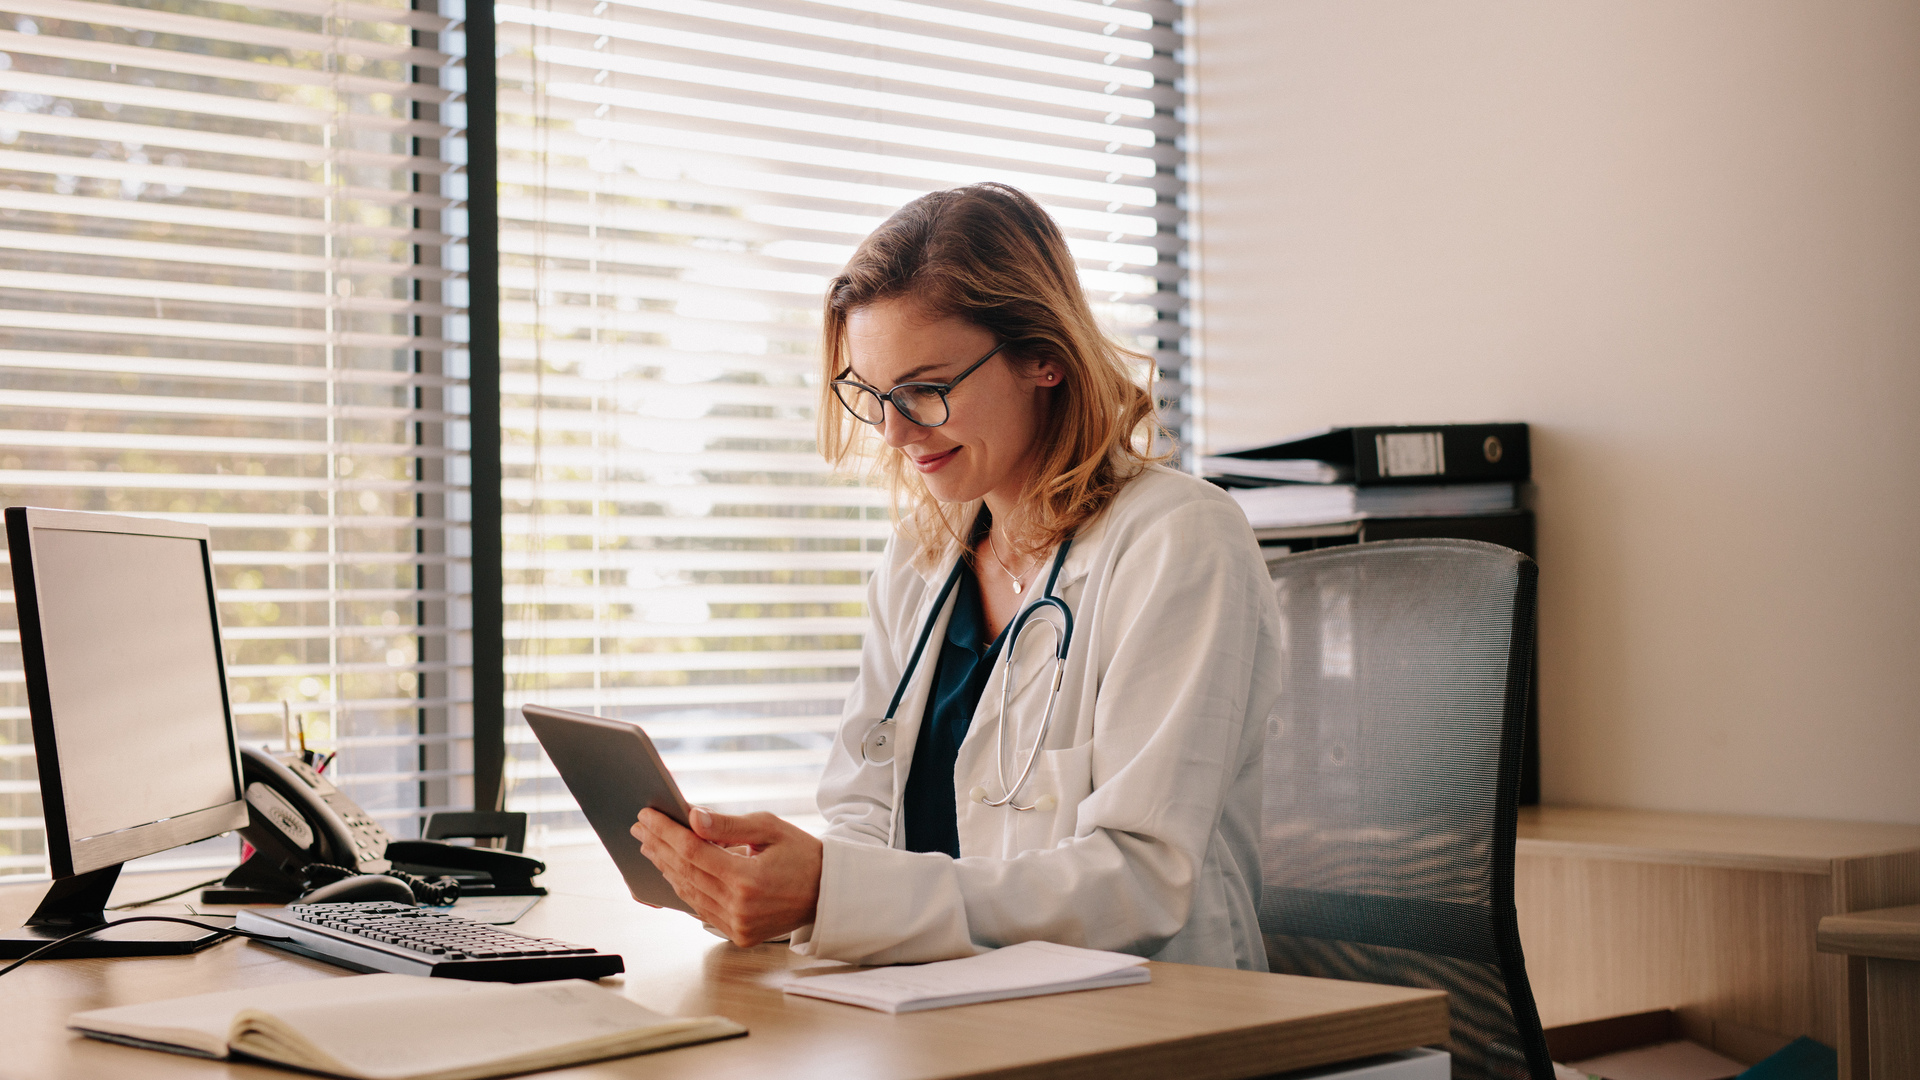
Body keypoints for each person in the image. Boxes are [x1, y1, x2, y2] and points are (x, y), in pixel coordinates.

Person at [632, 183, 1283, 969]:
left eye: (925, 389)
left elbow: (1139, 882)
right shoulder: (922, 556)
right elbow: (863, 819)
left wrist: (836, 894)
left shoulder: (1178, 540)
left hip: (1143, 1017)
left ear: (1044, 357)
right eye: (871, 395)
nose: (895, 431)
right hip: (938, 1005)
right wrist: (776, 887)